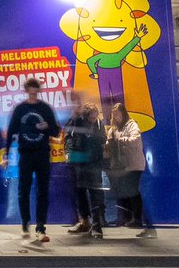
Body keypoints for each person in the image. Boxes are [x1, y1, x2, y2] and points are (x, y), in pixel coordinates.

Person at [6, 76, 60, 242]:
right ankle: (25, 224)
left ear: (38, 90)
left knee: (43, 191)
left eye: (35, 89)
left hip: (42, 153)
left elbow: (56, 132)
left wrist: (47, 127)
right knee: (24, 190)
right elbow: (11, 131)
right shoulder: (20, 109)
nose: (33, 92)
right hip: (26, 153)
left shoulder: (45, 109)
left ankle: (41, 227)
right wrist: (7, 154)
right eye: (30, 89)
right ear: (26, 90)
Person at [106, 101, 154, 237]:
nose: (116, 117)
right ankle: (128, 217)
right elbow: (109, 142)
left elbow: (135, 139)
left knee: (133, 191)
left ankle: (137, 218)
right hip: (121, 165)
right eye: (114, 115)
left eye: (118, 114)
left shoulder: (132, 125)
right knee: (125, 190)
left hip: (134, 164)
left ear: (123, 113)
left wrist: (120, 139)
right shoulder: (113, 128)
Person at [63, 93, 106, 237]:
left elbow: (103, 139)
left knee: (95, 195)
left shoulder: (99, 124)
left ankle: (97, 226)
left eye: (96, 116)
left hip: (94, 163)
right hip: (79, 162)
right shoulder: (76, 121)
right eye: (92, 117)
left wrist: (94, 135)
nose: (94, 119)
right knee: (80, 193)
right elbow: (68, 136)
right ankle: (84, 222)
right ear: (86, 116)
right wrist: (68, 153)